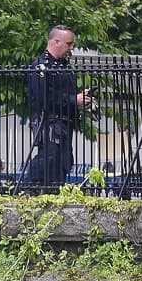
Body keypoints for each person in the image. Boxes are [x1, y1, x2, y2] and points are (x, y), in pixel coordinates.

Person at [22, 25, 95, 191]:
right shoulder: (41, 66)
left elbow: (66, 95)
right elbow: (44, 100)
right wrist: (73, 100)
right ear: (56, 42)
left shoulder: (64, 66)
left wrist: (81, 98)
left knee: (64, 162)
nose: (72, 48)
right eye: (69, 44)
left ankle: (53, 192)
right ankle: (26, 189)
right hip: (48, 122)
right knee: (49, 157)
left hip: (65, 122)